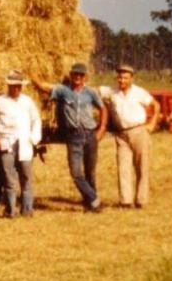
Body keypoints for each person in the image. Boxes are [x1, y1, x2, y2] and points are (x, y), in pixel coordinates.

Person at [35, 63, 108, 213]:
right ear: (71, 75)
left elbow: (103, 108)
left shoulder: (91, 92)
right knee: (76, 173)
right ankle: (94, 199)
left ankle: (91, 205)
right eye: (75, 74)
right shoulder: (63, 90)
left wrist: (101, 128)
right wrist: (32, 72)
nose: (78, 78)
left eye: (80, 75)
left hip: (90, 134)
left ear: (84, 77)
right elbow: (43, 87)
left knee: (90, 172)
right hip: (73, 137)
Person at [0, 70, 42, 218]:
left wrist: (34, 139)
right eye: (13, 86)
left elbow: (36, 120)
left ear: (22, 87)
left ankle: (27, 210)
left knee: (26, 178)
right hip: (7, 143)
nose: (16, 89)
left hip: (25, 144)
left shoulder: (27, 101)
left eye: (19, 86)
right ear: (8, 86)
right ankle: (10, 211)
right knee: (9, 179)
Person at [102, 65, 158, 209]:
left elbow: (155, 105)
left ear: (131, 78)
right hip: (121, 135)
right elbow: (93, 90)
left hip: (139, 131)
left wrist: (152, 123)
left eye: (126, 78)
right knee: (123, 167)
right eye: (120, 77)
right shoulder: (111, 92)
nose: (122, 80)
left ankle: (141, 200)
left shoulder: (139, 92)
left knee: (142, 167)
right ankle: (126, 201)